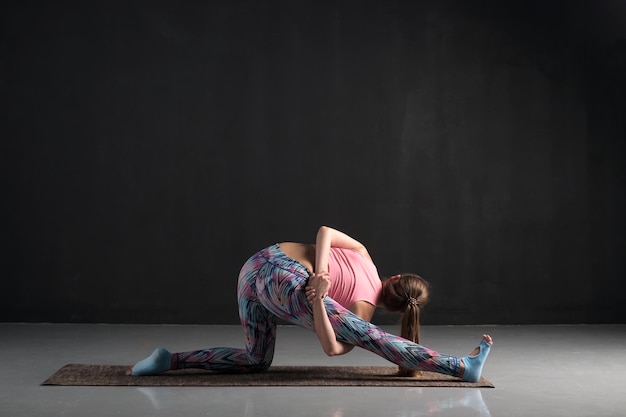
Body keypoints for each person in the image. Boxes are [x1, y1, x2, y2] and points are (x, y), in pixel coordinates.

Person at [127, 226, 493, 382]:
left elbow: (324, 231)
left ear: (395, 278)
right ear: (398, 308)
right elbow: (332, 349)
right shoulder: (362, 311)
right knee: (374, 338)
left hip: (253, 268)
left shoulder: (365, 254)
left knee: (256, 361)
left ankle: (170, 360)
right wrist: (319, 285)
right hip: (285, 280)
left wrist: (319, 291)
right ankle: (460, 367)